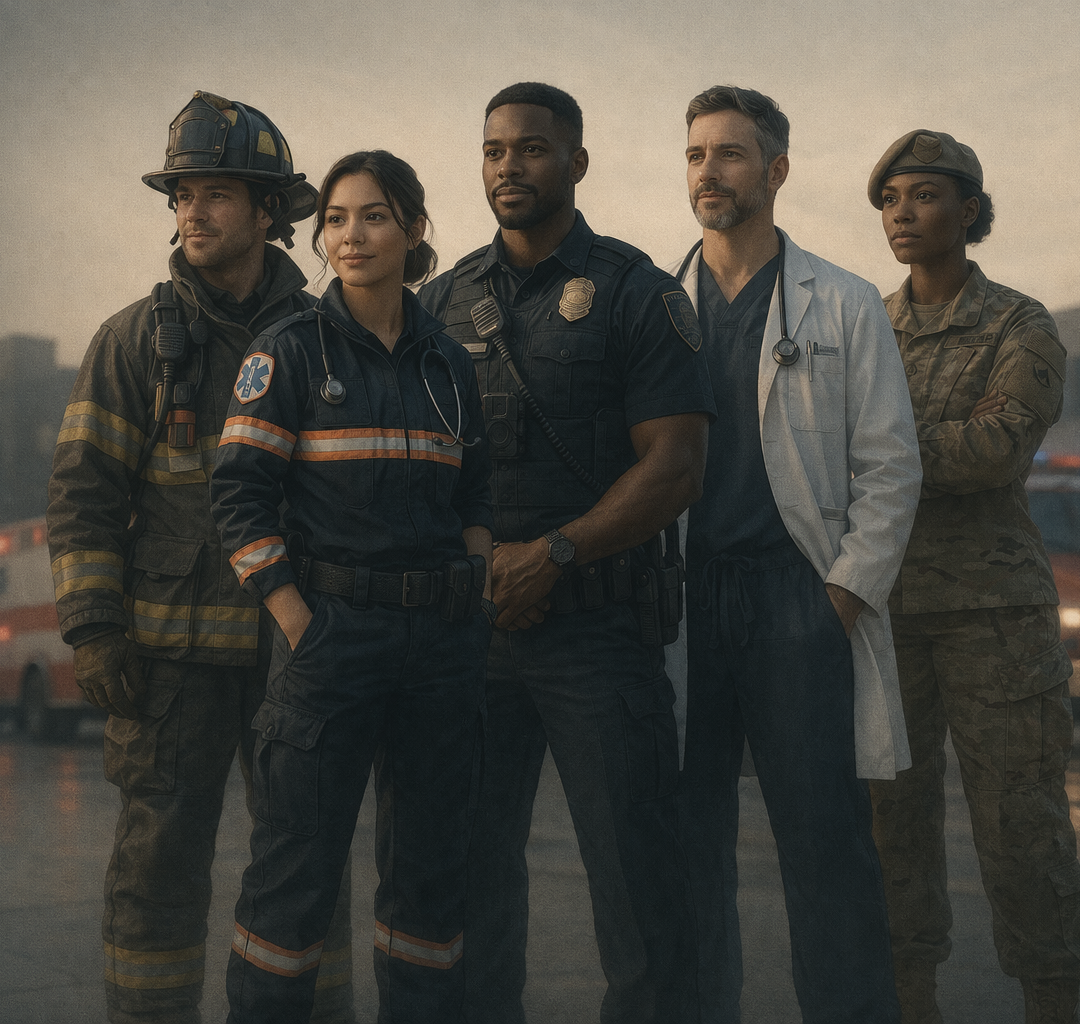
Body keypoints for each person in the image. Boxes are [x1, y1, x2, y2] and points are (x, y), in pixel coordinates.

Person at [45, 91, 354, 1024]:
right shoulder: (133, 342)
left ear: (269, 211)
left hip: (297, 657)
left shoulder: (329, 338)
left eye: (216, 193)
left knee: (306, 868)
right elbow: (83, 496)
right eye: (182, 194)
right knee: (157, 869)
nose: (192, 211)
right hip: (168, 667)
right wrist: (95, 629)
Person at [418, 82, 714, 1024]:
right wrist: (482, 570)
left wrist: (554, 554)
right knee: (465, 885)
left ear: (576, 162)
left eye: (533, 148)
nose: (510, 166)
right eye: (494, 149)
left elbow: (676, 465)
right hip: (476, 638)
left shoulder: (637, 292)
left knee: (638, 888)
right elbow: (416, 471)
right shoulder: (441, 303)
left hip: (599, 635)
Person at [210, 150, 494, 1024]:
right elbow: (238, 497)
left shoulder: (448, 363)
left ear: (413, 229)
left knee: (429, 886)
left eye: (373, 215)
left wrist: (471, 595)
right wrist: (298, 620)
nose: (351, 235)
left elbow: (475, 495)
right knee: (292, 881)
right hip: (331, 642)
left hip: (438, 649)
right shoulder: (289, 351)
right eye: (335, 218)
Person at [668, 85, 922, 1024]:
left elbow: (890, 467)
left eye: (730, 153)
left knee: (826, 850)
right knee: (687, 848)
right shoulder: (654, 305)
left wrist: (840, 598)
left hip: (797, 600)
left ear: (775, 170)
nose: (708, 171)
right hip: (686, 600)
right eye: (696, 154)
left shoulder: (843, 302)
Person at [866, 130, 1080, 1024]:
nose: (902, 213)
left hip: (995, 616)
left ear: (969, 211)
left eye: (923, 195)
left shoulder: (1019, 325)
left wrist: (876, 454)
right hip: (887, 610)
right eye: (890, 199)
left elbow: (994, 450)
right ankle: (909, 1002)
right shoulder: (866, 328)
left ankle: (1052, 1004)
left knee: (1021, 825)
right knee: (892, 827)